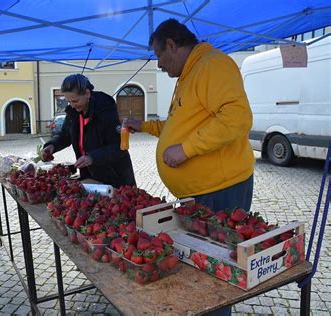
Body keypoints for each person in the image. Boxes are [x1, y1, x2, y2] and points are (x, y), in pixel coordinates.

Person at [127, 18, 255, 315]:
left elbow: (237, 119)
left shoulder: (213, 65)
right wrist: (144, 126)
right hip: (201, 193)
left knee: (218, 266)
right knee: (201, 264)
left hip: (221, 190)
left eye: (159, 55)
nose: (159, 64)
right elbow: (179, 124)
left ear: (172, 44)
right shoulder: (188, 74)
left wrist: (186, 150)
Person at [41, 74, 136, 188]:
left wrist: (92, 158)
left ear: (87, 93)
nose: (72, 105)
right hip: (90, 176)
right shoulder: (73, 111)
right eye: (69, 101)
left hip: (115, 176)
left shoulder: (105, 110)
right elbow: (65, 135)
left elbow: (118, 147)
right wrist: (52, 145)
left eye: (75, 101)